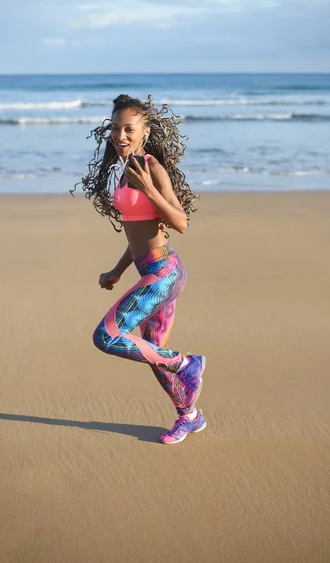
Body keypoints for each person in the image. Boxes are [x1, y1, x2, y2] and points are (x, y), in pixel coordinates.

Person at [71, 94, 206, 444]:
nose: (120, 135)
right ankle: (189, 416)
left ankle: (185, 363)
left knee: (107, 336)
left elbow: (180, 222)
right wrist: (117, 271)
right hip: (150, 271)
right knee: (151, 351)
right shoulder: (123, 169)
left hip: (165, 273)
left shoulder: (150, 167)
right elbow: (138, 233)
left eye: (129, 129)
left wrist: (148, 187)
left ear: (144, 132)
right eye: (115, 128)